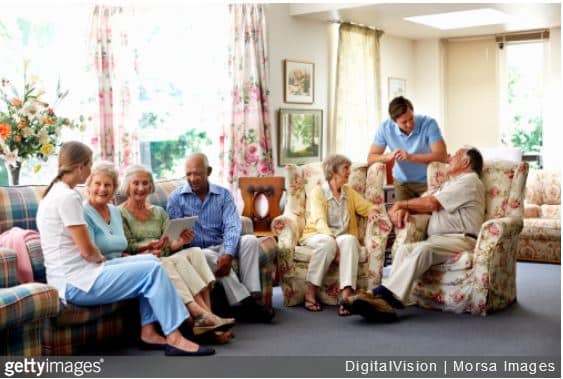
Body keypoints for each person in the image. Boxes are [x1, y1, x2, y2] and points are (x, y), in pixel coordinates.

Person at [36, 141, 213, 356]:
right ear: (81, 167)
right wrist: (107, 259)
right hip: (77, 283)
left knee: (152, 262)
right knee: (151, 269)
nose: (91, 169)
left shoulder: (55, 194)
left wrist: (123, 258)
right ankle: (175, 337)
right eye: (90, 165)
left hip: (80, 277)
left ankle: (148, 331)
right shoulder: (68, 197)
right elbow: (87, 251)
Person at [343, 147, 485, 321]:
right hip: (439, 240)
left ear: (465, 162)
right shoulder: (449, 183)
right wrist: (406, 210)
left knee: (424, 250)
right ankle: (385, 305)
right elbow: (423, 200)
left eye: (455, 156)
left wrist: (401, 205)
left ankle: (380, 296)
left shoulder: (470, 181)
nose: (449, 157)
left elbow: (432, 204)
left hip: (461, 238)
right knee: (405, 250)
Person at [115, 163, 235, 343]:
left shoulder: (159, 212)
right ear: (127, 186)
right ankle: (205, 320)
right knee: (169, 262)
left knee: (194, 251)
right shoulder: (119, 213)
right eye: (136, 183)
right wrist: (149, 247)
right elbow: (126, 245)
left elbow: (168, 243)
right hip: (143, 260)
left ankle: (208, 319)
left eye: (145, 183)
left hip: (164, 255)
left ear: (151, 186)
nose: (141, 188)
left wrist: (179, 242)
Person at [167, 153, 275, 323]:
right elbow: (175, 235)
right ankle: (247, 305)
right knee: (206, 255)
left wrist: (229, 253)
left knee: (250, 240)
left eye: (197, 173)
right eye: (188, 174)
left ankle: (253, 296)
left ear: (208, 171)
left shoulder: (223, 195)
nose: (192, 178)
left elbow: (233, 225)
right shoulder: (176, 198)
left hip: (222, 244)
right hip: (197, 252)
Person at [300, 154, 383, 315]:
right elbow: (318, 221)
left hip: (340, 237)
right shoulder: (318, 192)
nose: (349, 172)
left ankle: (346, 296)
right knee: (327, 243)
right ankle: (310, 291)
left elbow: (365, 206)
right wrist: (334, 244)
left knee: (351, 240)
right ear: (333, 170)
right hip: (318, 234)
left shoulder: (348, 192)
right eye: (346, 168)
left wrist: (372, 211)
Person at [367, 96, 448, 201]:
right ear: (394, 121)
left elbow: (442, 156)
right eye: (404, 122)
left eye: (411, 118)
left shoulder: (429, 124)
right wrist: (388, 156)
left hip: (427, 181)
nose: (409, 124)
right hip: (402, 183)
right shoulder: (385, 128)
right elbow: (371, 158)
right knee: (401, 215)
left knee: (430, 216)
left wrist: (411, 157)